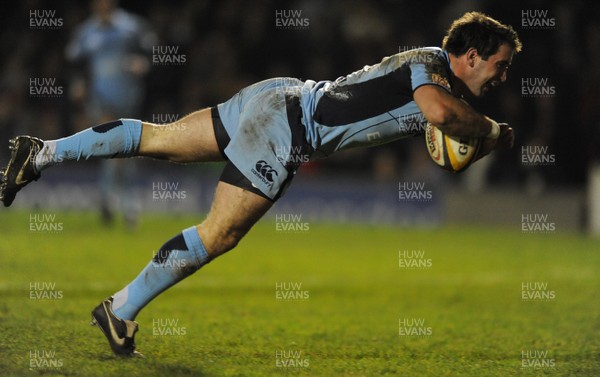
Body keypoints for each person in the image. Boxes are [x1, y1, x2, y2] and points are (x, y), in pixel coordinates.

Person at [0, 12, 521, 357]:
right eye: (500, 65)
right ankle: (119, 309)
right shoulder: (430, 67)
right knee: (220, 233)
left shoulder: (431, 73)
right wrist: (494, 132)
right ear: (471, 56)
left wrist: (474, 128)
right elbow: (439, 113)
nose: (502, 77)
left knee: (157, 139)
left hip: (277, 97)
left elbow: (445, 122)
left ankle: (42, 153)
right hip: (287, 126)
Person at [66, 0, 156, 228]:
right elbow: (74, 61)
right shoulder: (86, 31)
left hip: (129, 97)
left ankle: (113, 201)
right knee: (114, 147)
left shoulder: (131, 26)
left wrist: (142, 63)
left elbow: (150, 50)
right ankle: (123, 205)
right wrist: (78, 84)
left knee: (123, 151)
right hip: (101, 99)